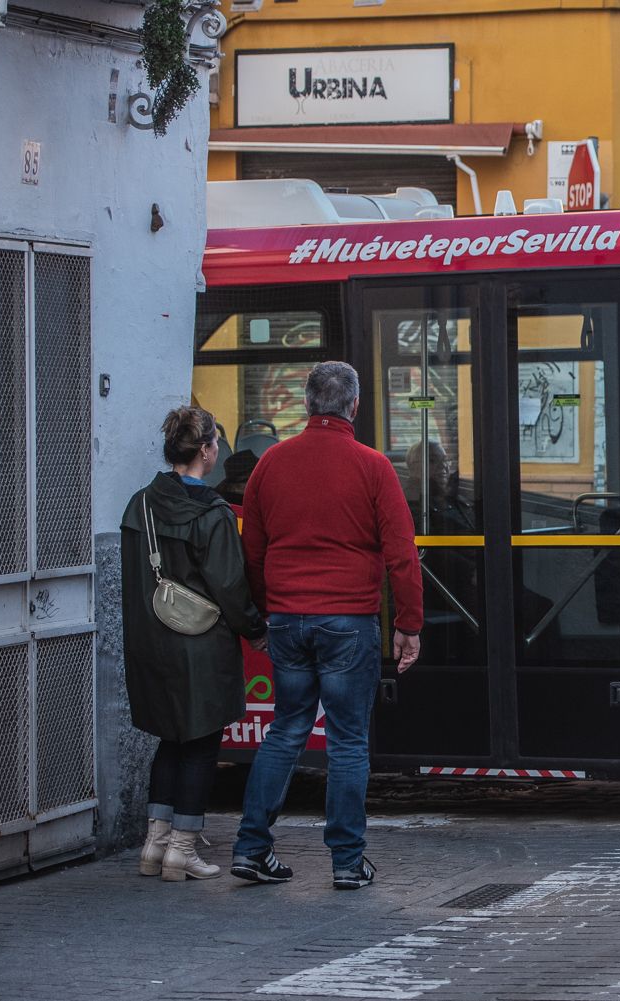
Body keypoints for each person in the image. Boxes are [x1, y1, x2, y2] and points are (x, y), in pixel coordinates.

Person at [231, 361, 423, 890]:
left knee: (286, 730)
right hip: (348, 621)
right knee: (347, 740)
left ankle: (251, 847)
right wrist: (408, 624)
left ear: (307, 403)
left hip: (287, 620)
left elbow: (253, 552)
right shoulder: (373, 466)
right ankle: (346, 861)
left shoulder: (271, 464)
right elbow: (401, 553)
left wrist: (264, 614)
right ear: (354, 406)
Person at [120, 406, 268, 881]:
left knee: (170, 739)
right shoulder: (213, 512)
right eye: (215, 444)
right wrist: (255, 629)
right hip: (202, 644)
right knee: (202, 745)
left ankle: (154, 845)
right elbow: (229, 586)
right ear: (206, 451)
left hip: (152, 642)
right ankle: (182, 848)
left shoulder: (140, 504)